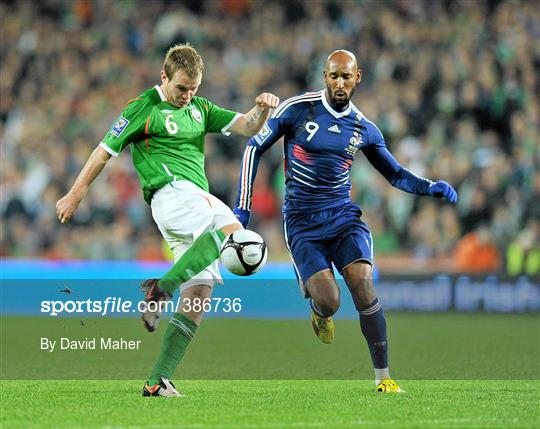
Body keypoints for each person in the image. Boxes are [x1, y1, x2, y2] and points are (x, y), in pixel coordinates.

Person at [56, 43, 279, 397]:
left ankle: (156, 380)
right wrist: (76, 192)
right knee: (233, 233)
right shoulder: (144, 107)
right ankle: (159, 290)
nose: (187, 96)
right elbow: (104, 151)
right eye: (181, 88)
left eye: (193, 89)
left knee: (200, 294)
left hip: (189, 204)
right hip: (172, 193)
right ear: (164, 76)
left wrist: (262, 109)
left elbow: (246, 126)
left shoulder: (201, 108)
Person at [233, 50, 457, 393]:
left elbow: (395, 175)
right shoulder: (297, 109)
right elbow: (253, 148)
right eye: (334, 76)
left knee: (364, 286)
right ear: (325, 76)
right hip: (302, 223)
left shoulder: (364, 128)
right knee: (330, 301)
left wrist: (429, 187)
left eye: (346, 77)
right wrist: (243, 210)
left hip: (343, 217)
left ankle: (383, 378)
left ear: (358, 77)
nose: (339, 83)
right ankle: (318, 309)